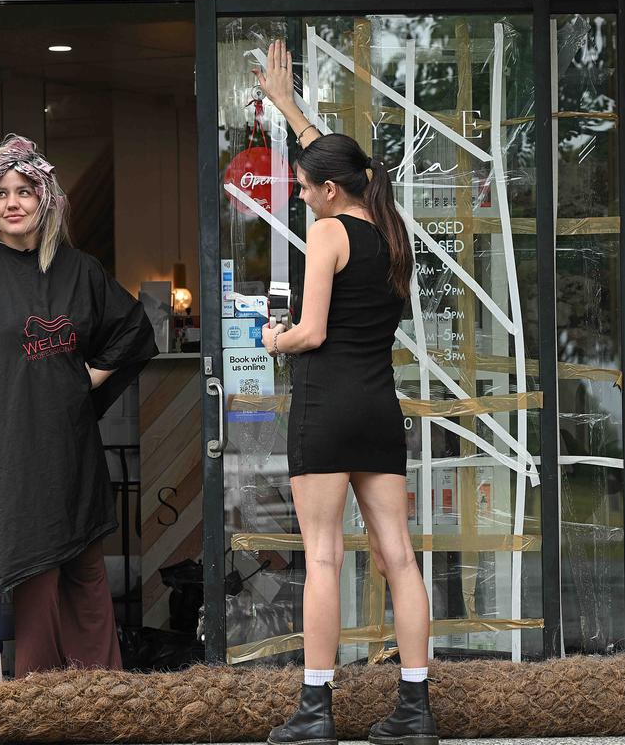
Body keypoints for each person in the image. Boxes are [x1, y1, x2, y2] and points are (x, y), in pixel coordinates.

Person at [253, 40, 437, 745]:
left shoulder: (327, 234)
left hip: (327, 410)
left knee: (324, 555)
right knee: (399, 555)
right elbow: (335, 160)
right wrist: (290, 107)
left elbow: (312, 331)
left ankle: (314, 711)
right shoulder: (390, 231)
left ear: (330, 192)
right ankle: (415, 711)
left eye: (304, 187)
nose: (300, 195)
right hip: (379, 411)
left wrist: (273, 339)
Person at [0, 134, 158, 677]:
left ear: (46, 199)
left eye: (25, 191)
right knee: (35, 581)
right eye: (1, 193)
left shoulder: (78, 270)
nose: (13, 203)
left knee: (86, 577)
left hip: (72, 448)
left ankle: (103, 699)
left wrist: (88, 374)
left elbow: (133, 331)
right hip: (10, 456)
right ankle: (40, 709)